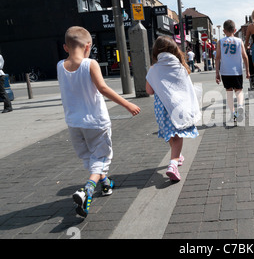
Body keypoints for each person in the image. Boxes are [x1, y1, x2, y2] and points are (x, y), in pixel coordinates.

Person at [57, 26, 141, 218]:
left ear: (65, 47)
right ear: (88, 46)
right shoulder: (90, 64)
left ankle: (105, 184)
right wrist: (128, 104)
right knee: (102, 157)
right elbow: (102, 88)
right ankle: (87, 190)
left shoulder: (59, 65)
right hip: (95, 121)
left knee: (90, 157)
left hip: (74, 123)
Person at [146, 36, 201, 182]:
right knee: (178, 137)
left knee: (171, 134)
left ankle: (177, 156)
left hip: (162, 108)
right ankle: (173, 165)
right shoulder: (180, 67)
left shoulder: (154, 69)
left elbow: (149, 91)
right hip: (178, 107)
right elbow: (186, 88)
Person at [215, 20, 250, 123]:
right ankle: (240, 106)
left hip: (225, 71)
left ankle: (233, 114)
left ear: (224, 31)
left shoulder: (220, 42)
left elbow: (217, 58)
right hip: (237, 71)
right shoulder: (239, 41)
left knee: (229, 92)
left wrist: (217, 73)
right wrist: (247, 71)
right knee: (239, 91)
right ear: (235, 30)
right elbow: (245, 56)